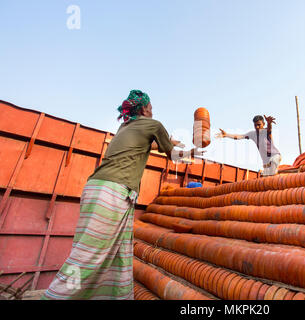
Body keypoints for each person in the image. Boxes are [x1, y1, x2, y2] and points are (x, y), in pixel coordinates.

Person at [42, 89, 200, 300]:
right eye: (151, 108)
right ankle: (54, 296)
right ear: (144, 109)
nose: (153, 111)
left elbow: (146, 145)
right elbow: (170, 153)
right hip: (113, 192)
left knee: (117, 253)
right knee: (86, 256)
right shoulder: (154, 125)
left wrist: (170, 143)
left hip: (96, 189)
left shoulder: (124, 127)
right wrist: (189, 153)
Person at [215, 115, 282, 176]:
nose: (257, 127)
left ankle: (276, 173)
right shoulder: (252, 134)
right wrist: (226, 135)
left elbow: (269, 128)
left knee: (272, 171)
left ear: (263, 124)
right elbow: (239, 136)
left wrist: (269, 123)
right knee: (265, 177)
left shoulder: (266, 131)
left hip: (275, 156)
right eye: (255, 125)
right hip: (266, 161)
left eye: (259, 125)